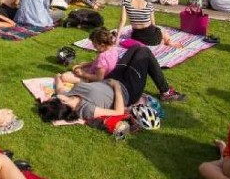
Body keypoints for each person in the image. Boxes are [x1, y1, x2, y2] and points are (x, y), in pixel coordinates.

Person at [39, 44, 186, 123]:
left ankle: (165, 90)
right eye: (51, 100)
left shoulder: (64, 95)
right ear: (59, 104)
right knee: (144, 52)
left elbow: (58, 85)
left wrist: (57, 76)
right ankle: (166, 92)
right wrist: (116, 88)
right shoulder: (86, 110)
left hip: (112, 79)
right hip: (127, 90)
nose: (50, 97)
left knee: (135, 48)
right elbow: (118, 112)